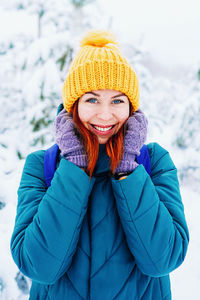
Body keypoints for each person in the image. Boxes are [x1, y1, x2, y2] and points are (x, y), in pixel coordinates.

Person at [10, 30, 189, 300]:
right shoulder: (42, 166)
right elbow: (38, 266)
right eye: (92, 99)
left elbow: (163, 259)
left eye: (117, 100)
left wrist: (128, 168)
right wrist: (74, 167)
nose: (105, 114)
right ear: (74, 106)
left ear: (131, 107)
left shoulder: (155, 163)